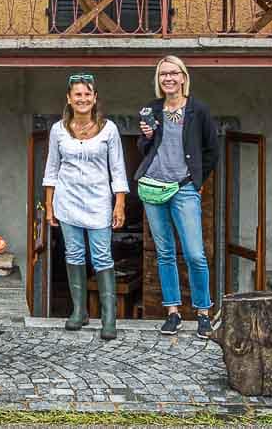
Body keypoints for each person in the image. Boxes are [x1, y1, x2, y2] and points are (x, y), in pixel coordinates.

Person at [135, 55, 220, 339]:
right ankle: (172, 313)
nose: (168, 78)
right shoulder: (152, 109)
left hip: (184, 188)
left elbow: (212, 150)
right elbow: (144, 148)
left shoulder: (199, 110)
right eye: (163, 75)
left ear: (183, 77)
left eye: (173, 73)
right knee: (165, 253)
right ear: (159, 81)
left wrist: (197, 180)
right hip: (153, 186)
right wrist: (146, 136)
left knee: (195, 254)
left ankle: (203, 313)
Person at [43, 72, 128, 340]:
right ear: (69, 99)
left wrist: (120, 204)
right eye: (77, 94)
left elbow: (118, 170)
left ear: (95, 98)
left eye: (87, 94)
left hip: (98, 201)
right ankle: (79, 311)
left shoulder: (109, 129)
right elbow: (51, 169)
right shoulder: (58, 130)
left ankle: (109, 316)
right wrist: (49, 205)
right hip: (67, 201)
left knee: (102, 255)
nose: (82, 99)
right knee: (74, 254)